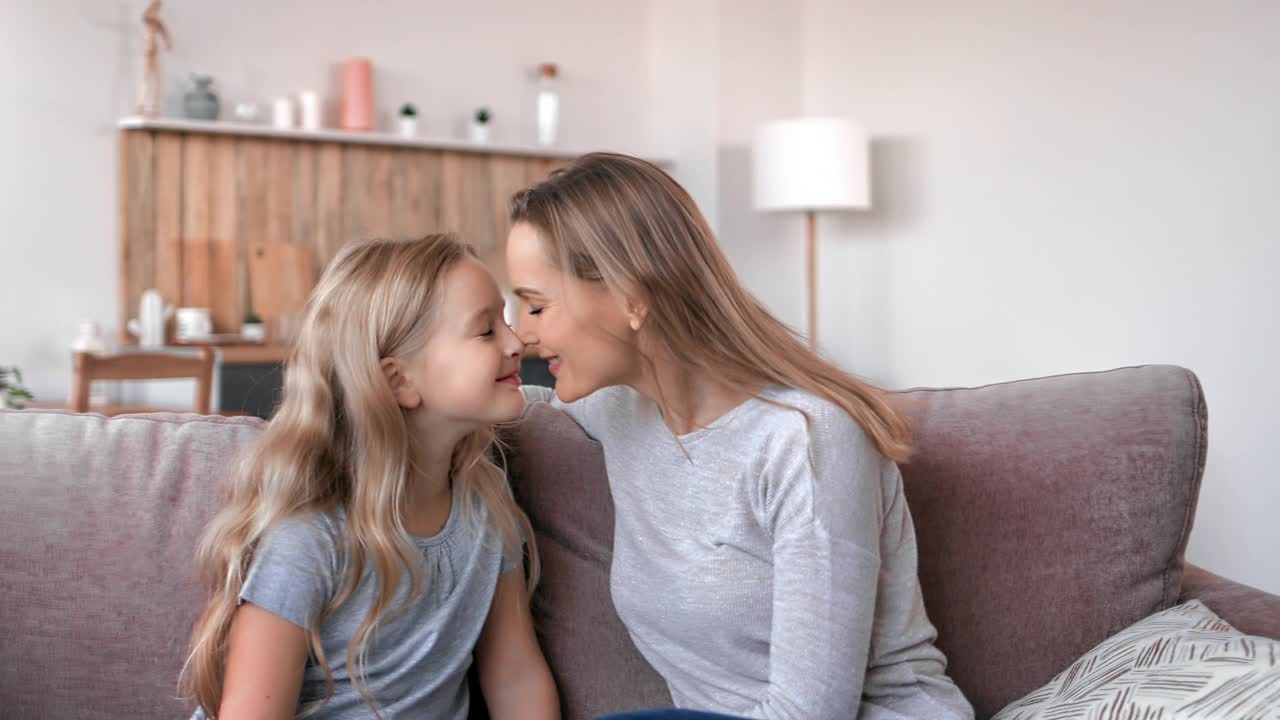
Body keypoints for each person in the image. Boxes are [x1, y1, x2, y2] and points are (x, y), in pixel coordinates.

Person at [506, 153, 974, 720]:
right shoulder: (619, 407)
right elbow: (514, 406)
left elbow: (810, 713)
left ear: (630, 295)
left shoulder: (805, 439)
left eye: (535, 305)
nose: (520, 335)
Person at [184, 235, 558, 719]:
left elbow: (515, 676)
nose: (516, 340)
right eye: (486, 331)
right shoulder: (310, 540)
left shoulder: (485, 498)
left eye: (506, 321)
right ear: (399, 380)